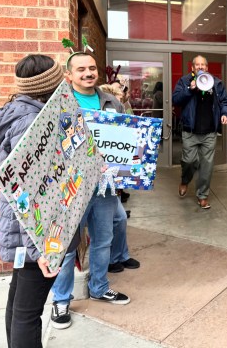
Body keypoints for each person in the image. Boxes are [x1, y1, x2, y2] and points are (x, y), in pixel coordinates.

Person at [50, 52, 140, 330]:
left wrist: (129, 170)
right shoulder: (59, 103)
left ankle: (99, 287)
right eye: (81, 69)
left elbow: (127, 137)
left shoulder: (112, 101)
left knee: (103, 239)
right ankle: (61, 300)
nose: (88, 73)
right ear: (69, 75)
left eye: (91, 68)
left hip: (105, 184)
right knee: (65, 247)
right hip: (72, 187)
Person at [0, 54, 64, 348]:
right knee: (28, 313)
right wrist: (40, 249)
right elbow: (25, 192)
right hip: (34, 234)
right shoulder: (31, 123)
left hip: (27, 232)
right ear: (49, 85)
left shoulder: (23, 113)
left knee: (19, 305)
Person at [172, 55, 227, 209]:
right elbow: (176, 100)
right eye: (197, 65)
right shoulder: (184, 81)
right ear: (192, 68)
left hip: (210, 132)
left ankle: (202, 195)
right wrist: (189, 89)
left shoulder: (216, 83)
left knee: (207, 165)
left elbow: (224, 101)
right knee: (189, 161)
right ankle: (185, 180)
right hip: (190, 131)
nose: (200, 67)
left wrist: (225, 114)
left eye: (203, 65)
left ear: (207, 67)